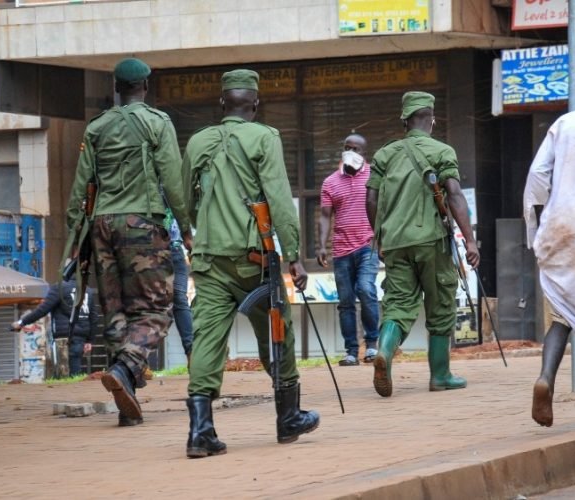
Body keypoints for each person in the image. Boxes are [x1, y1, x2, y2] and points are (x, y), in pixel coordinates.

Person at [182, 69, 319, 458]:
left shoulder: (198, 141)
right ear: (256, 104)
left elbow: (186, 198)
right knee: (277, 328)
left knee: (207, 337)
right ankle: (288, 417)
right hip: (253, 259)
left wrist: (200, 229)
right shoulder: (265, 137)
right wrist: (294, 256)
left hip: (209, 257)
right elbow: (279, 199)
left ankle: (200, 432)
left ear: (222, 103)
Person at [66, 58, 191, 427]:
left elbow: (81, 186)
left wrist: (75, 234)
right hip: (142, 223)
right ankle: (124, 369)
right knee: (156, 309)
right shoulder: (157, 122)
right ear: (145, 87)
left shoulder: (97, 127)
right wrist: (185, 226)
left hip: (101, 226)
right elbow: (173, 179)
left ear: (116, 88)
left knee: (116, 311)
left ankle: (128, 404)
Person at [365, 91, 479, 398]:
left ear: (404, 121)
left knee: (398, 304)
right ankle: (440, 375)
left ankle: (385, 352)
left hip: (395, 242)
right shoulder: (441, 151)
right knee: (440, 303)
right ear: (432, 120)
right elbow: (454, 194)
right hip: (431, 241)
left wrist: (380, 237)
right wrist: (470, 240)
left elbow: (371, 198)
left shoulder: (385, 155)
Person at [524, 108, 575, 427]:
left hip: (564, 229)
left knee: (563, 316)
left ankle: (546, 378)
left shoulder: (566, 123)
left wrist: (538, 226)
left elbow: (537, 175)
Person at [317, 134, 380, 366]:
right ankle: (351, 351)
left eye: (356, 149)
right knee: (345, 302)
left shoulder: (375, 176)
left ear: (364, 153)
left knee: (366, 289)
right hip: (341, 250)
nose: (351, 152)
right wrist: (321, 245)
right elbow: (325, 216)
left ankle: (372, 345)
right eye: (347, 147)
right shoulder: (330, 182)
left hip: (367, 245)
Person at [11, 281, 98, 377]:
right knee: (75, 368)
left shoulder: (60, 288)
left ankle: (69, 383)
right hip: (80, 337)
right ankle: (75, 382)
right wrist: (90, 340)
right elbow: (94, 317)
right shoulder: (87, 290)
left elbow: (42, 310)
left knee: (62, 371)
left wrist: (22, 322)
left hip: (63, 337)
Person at [165, 207, 193, 364]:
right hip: (151, 252)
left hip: (175, 250)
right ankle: (137, 360)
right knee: (147, 303)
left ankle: (192, 353)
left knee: (180, 301)